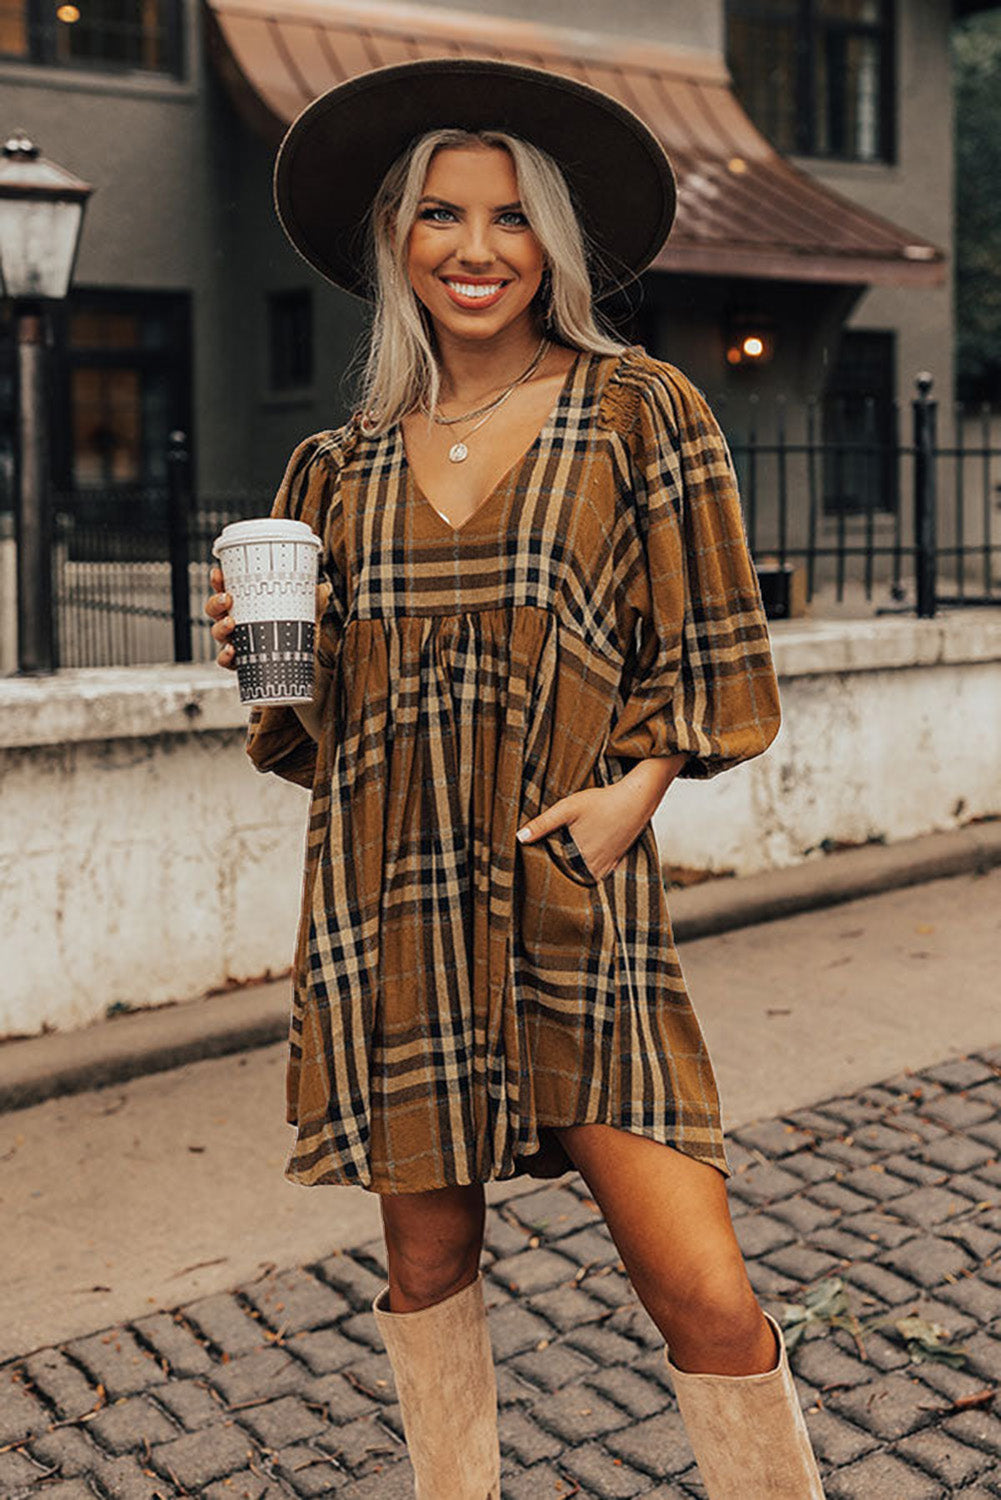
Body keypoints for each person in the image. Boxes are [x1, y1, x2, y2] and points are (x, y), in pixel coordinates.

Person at [205, 58, 824, 1500]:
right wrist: (259, 647)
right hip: (390, 909)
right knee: (425, 1271)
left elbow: (716, 648)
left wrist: (639, 787)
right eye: (437, 217)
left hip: (567, 892)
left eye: (507, 218)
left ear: (551, 239)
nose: (472, 250)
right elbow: (317, 731)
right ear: (393, 243)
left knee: (703, 1289)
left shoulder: (635, 408)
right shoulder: (336, 469)